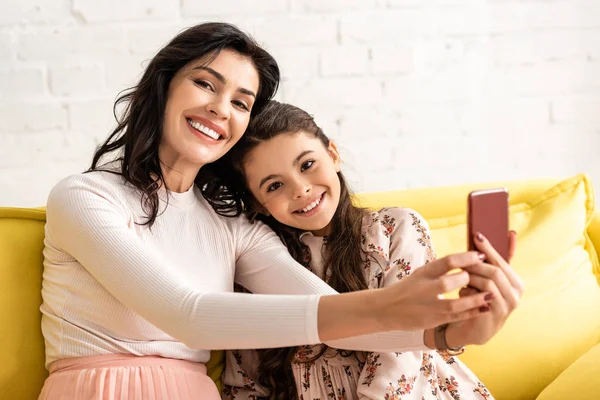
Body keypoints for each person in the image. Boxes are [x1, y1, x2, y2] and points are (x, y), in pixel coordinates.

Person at [38, 22, 521, 400]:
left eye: (241, 102)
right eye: (206, 84)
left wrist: (451, 331)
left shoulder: (235, 229)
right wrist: (388, 302)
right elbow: (189, 316)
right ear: (163, 86)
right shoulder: (83, 198)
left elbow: (344, 329)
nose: (221, 109)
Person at [220, 101, 523, 399]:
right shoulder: (258, 266)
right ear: (258, 202)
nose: (300, 189)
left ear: (333, 155)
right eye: (274, 186)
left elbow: (400, 354)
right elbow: (245, 383)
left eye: (307, 165)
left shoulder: (394, 228)